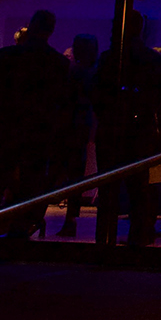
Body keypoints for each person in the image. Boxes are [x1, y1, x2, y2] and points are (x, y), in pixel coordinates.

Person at [0, 8, 71, 239]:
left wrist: (6, 115)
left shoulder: (6, 56)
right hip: (38, 132)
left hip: (8, 127)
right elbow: (61, 102)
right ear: (51, 30)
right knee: (30, 182)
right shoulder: (58, 63)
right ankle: (20, 230)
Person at [92, 10, 161, 248]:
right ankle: (139, 237)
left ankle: (105, 237)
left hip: (112, 129)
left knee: (108, 187)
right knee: (139, 187)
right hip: (141, 130)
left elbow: (96, 94)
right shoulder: (153, 59)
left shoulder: (109, 57)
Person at [55, 33, 98, 236]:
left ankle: (34, 218)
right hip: (83, 126)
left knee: (57, 170)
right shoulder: (94, 73)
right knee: (76, 173)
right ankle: (72, 217)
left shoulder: (71, 72)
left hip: (65, 127)